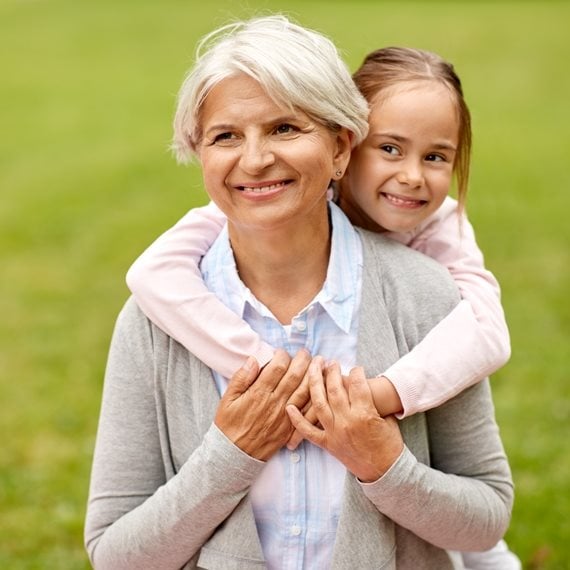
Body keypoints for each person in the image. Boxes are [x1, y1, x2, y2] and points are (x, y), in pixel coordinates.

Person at [85, 15, 514, 569]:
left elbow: (485, 521)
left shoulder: (427, 293)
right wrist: (230, 455)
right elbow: (115, 556)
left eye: (285, 128)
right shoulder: (153, 320)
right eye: (225, 137)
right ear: (201, 155)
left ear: (341, 148)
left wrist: (385, 464)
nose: (256, 159)